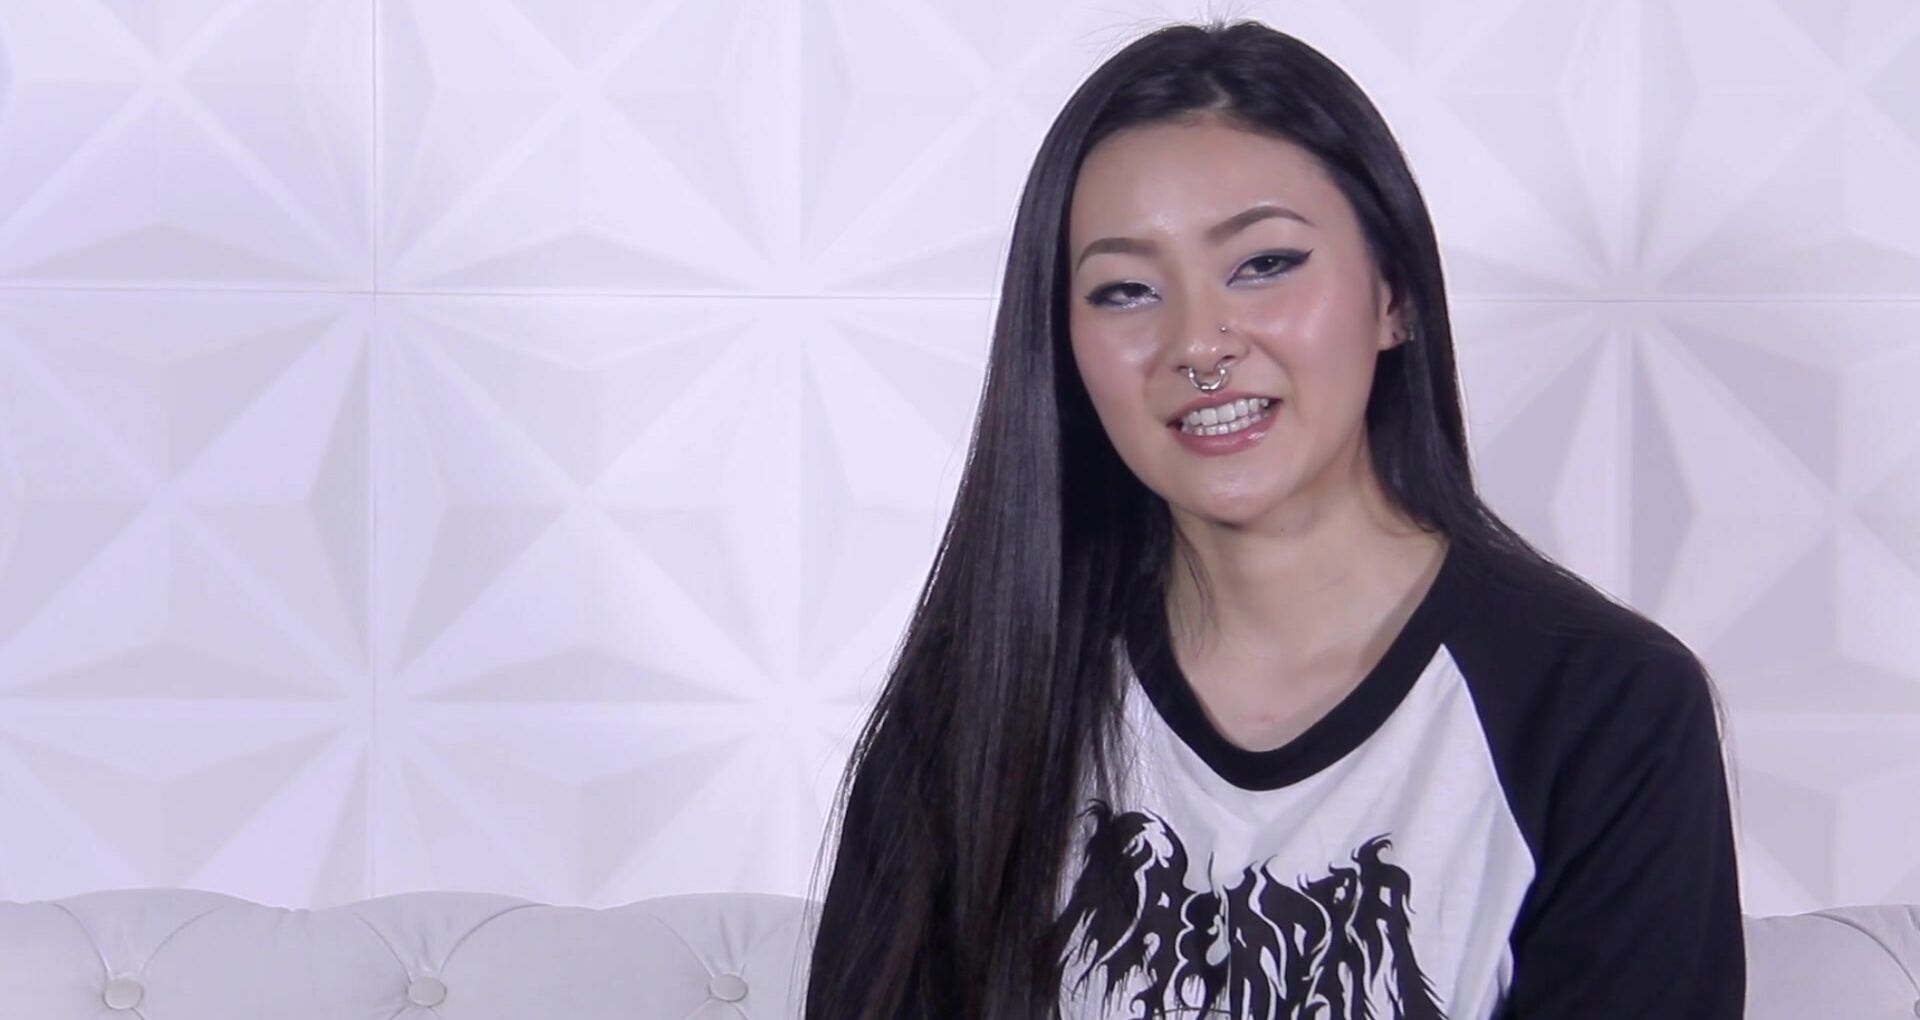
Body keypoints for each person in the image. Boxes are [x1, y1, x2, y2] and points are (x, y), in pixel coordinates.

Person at [802, 18, 1745, 1020]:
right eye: (1125, 290)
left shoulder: (1606, 711)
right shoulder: (973, 707)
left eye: (1264, 264)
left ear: (1394, 295)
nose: (1198, 345)